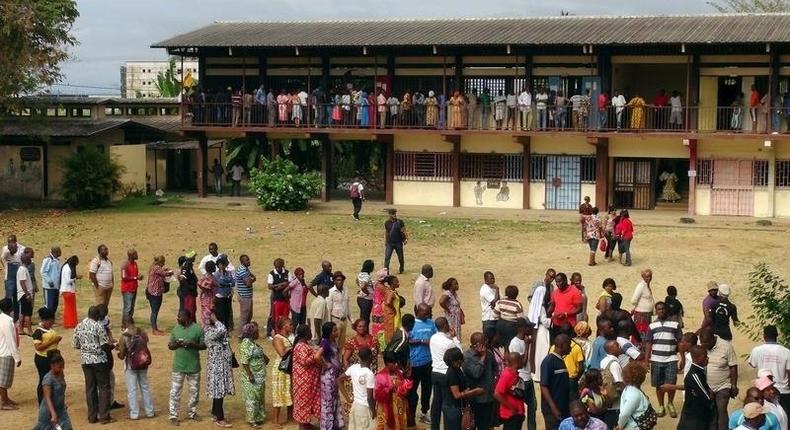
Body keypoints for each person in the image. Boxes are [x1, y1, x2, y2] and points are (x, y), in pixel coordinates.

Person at [73, 305, 113, 424]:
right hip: (99, 360)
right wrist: (112, 346)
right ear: (96, 316)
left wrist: (87, 348)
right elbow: (104, 345)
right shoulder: (98, 326)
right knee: (104, 387)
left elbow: (76, 344)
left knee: (90, 388)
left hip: (86, 361)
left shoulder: (79, 326)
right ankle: (104, 416)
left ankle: (92, 416)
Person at [167, 309, 206, 426]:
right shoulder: (176, 329)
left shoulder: (198, 329)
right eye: (178, 316)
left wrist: (192, 344)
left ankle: (192, 412)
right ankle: (173, 415)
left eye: (180, 317)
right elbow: (170, 346)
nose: (178, 319)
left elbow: (204, 345)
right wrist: (178, 344)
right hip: (178, 366)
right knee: (175, 392)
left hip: (193, 366)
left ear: (187, 318)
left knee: (194, 392)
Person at [661, 345, 714, 430]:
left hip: (691, 414)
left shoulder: (699, 371)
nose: (707, 358)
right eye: (704, 357)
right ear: (696, 358)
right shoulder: (695, 375)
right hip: (695, 416)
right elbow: (707, 397)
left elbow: (693, 387)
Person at [645, 301, 682, 418]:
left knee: (671, 383)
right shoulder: (652, 326)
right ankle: (661, 405)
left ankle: (670, 403)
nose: (661, 311)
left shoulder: (675, 324)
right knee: (658, 385)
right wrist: (646, 360)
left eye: (663, 309)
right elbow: (648, 344)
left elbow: (680, 342)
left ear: (666, 310)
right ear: (656, 311)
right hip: (656, 359)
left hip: (671, 358)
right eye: (659, 309)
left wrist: (683, 358)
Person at [700, 326, 739, 430]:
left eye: (706, 343)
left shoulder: (726, 346)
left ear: (713, 339)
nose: (704, 345)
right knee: (711, 412)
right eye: (702, 342)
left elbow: (733, 366)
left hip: (723, 385)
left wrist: (734, 385)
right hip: (707, 387)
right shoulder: (701, 345)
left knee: (721, 410)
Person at [117, 315, 154, 420]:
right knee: (145, 387)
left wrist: (118, 352)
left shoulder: (124, 336)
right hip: (143, 363)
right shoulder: (142, 332)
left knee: (132, 390)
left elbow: (122, 355)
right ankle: (150, 412)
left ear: (124, 323)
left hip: (131, 366)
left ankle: (134, 414)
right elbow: (145, 344)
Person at [429, 316, 462, 430]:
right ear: (445, 326)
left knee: (436, 402)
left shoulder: (433, 338)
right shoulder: (449, 343)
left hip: (434, 372)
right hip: (445, 374)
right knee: (448, 403)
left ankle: (435, 426)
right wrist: (455, 338)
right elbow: (459, 354)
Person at [749, 325, 790, 413]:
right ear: (777, 336)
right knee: (785, 419)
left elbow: (752, 364)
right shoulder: (786, 352)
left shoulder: (756, 350)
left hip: (764, 391)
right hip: (783, 391)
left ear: (764, 336)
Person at [406, 304, 435, 426]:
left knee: (427, 389)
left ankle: (424, 412)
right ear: (418, 311)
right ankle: (411, 416)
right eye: (426, 313)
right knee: (412, 391)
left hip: (428, 362)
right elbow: (406, 340)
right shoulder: (411, 324)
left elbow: (436, 336)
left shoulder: (431, 323)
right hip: (414, 363)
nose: (429, 315)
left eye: (429, 312)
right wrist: (422, 341)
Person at [204, 311, 234, 428]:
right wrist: (215, 319)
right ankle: (220, 418)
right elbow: (223, 330)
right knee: (219, 392)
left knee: (220, 391)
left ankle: (215, 413)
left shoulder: (215, 331)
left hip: (222, 366)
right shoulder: (209, 332)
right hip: (216, 367)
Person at [443, 347, 485, 430]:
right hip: (453, 408)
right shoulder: (452, 373)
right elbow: (456, 395)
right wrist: (474, 392)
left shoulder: (457, 370)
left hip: (457, 407)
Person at [463, 331, 496, 430]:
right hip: (477, 399)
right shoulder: (467, 357)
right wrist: (483, 357)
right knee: (474, 425)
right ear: (476, 345)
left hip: (489, 396)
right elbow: (476, 373)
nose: (486, 343)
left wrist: (493, 379)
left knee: (486, 425)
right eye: (484, 342)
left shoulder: (489, 353)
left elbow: (495, 367)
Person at [509, 318, 537, 429]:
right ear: (521, 328)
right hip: (521, 380)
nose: (530, 329)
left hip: (528, 378)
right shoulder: (515, 343)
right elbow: (522, 363)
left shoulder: (526, 340)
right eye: (528, 327)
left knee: (532, 407)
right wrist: (528, 345)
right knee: (519, 410)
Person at [239, 322, 268, 428]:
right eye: (256, 331)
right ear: (251, 333)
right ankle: (252, 420)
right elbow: (244, 361)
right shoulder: (246, 344)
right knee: (251, 398)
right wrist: (250, 374)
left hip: (259, 376)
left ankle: (258, 417)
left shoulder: (253, 344)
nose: (258, 333)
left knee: (259, 397)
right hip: (251, 377)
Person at [32, 351, 72, 429]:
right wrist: (53, 414)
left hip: (60, 409)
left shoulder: (60, 373)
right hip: (48, 412)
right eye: (60, 367)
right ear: (52, 366)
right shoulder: (48, 379)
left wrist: (62, 403)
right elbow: (47, 398)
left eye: (63, 366)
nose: (62, 369)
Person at [293, 324, 322, 429]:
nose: (311, 334)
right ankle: (302, 425)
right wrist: (316, 355)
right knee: (303, 403)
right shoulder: (300, 346)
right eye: (310, 331)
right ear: (305, 334)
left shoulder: (305, 344)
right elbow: (305, 361)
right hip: (303, 382)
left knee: (308, 402)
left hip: (309, 381)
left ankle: (306, 423)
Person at [340, 346, 376, 430]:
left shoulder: (354, 367)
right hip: (365, 408)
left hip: (355, 406)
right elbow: (369, 397)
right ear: (370, 357)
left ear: (359, 357)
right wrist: (373, 411)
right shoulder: (369, 374)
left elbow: (339, 380)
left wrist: (348, 398)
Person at [541, 334, 572, 430]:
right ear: (562, 345)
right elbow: (543, 386)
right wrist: (553, 407)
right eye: (569, 344)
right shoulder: (549, 361)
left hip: (562, 407)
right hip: (553, 409)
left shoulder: (561, 361)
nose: (570, 347)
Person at [320, 321, 345, 430]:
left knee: (335, 399)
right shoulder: (325, 342)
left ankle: (335, 424)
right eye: (334, 330)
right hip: (328, 377)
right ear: (329, 333)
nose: (337, 332)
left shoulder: (333, 341)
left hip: (335, 375)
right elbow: (317, 356)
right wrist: (326, 365)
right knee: (328, 401)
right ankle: (327, 427)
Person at [33, 307, 61, 403]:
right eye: (50, 321)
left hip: (51, 358)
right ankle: (42, 401)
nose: (51, 323)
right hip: (43, 359)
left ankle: (51, 400)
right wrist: (54, 341)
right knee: (44, 380)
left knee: (52, 379)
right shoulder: (38, 332)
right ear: (44, 320)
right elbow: (38, 347)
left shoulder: (48, 329)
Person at [494, 352, 526, 430]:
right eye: (521, 360)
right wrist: (511, 408)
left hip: (517, 414)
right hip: (511, 415)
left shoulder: (514, 373)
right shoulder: (507, 374)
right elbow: (497, 394)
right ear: (516, 363)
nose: (523, 361)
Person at [272, 318, 294, 428]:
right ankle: (275, 420)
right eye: (290, 324)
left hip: (290, 368)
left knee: (290, 391)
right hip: (281, 369)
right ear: (284, 326)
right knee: (279, 393)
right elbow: (281, 353)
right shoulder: (277, 338)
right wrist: (292, 347)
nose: (292, 326)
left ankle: (290, 416)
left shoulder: (292, 336)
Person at [617, 362, 653, 429]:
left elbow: (624, 414)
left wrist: (620, 426)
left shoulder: (632, 393)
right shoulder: (635, 390)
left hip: (635, 426)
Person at [550, 273, 583, 338]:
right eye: (556, 282)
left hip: (569, 327)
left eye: (560, 281)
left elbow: (580, 309)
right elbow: (552, 307)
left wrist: (566, 314)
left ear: (565, 280)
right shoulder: (554, 293)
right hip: (556, 325)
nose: (558, 284)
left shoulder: (575, 292)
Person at [600, 340, 625, 428]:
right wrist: (628, 394)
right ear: (611, 350)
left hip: (607, 398)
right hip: (616, 403)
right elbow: (619, 382)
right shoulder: (614, 364)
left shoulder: (603, 361)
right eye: (617, 345)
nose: (619, 347)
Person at [146, 255, 172, 335]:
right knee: (154, 312)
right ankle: (154, 329)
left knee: (155, 311)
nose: (163, 264)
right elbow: (165, 274)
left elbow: (161, 271)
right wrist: (171, 272)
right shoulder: (156, 268)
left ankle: (155, 328)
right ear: (160, 262)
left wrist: (165, 270)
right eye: (163, 263)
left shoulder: (154, 267)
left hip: (153, 292)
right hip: (154, 293)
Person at [2, 236, 25, 323]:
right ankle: (5, 315)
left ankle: (15, 317)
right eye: (8, 242)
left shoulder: (22, 248)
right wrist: (5, 267)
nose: (10, 244)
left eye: (12, 242)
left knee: (17, 298)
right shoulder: (5, 249)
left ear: (16, 242)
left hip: (18, 276)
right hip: (9, 278)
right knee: (8, 297)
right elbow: (3, 257)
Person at [267, 258, 292, 337]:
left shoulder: (287, 273)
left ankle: (285, 332)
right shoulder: (271, 274)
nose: (278, 269)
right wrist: (281, 285)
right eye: (277, 267)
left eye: (279, 267)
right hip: (276, 299)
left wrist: (278, 287)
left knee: (285, 317)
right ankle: (277, 333)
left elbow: (290, 283)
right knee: (276, 317)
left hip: (285, 299)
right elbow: (270, 286)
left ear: (282, 266)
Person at [495, 285, 524, 351]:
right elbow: (520, 318)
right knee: (509, 347)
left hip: (501, 325)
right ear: (516, 294)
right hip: (511, 327)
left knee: (505, 347)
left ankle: (505, 360)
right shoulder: (517, 304)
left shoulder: (500, 302)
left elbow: (495, 314)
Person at [630, 268, 655, 343]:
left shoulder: (646, 285)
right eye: (647, 276)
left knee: (646, 333)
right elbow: (633, 300)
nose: (649, 278)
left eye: (650, 276)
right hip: (641, 315)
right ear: (643, 277)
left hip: (646, 314)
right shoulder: (641, 286)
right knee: (641, 333)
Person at [120, 249, 143, 326]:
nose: (137, 255)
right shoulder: (125, 265)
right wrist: (136, 278)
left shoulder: (135, 264)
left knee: (132, 306)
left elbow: (134, 275)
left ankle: (129, 320)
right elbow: (124, 277)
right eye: (135, 254)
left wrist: (138, 276)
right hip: (127, 289)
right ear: (131, 255)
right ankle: (124, 324)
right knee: (128, 307)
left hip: (134, 288)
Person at [234, 255, 256, 337]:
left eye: (248, 259)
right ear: (242, 261)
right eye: (247, 260)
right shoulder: (243, 271)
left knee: (249, 316)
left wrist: (252, 279)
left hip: (246, 296)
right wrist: (252, 280)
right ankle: (241, 335)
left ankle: (246, 332)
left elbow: (253, 277)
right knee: (244, 317)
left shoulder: (245, 269)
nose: (249, 261)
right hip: (244, 297)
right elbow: (248, 283)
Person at [328, 271, 351, 346]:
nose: (340, 281)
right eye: (338, 280)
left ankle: (340, 357)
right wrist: (330, 323)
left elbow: (348, 306)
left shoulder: (346, 290)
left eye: (341, 280)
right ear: (334, 281)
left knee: (342, 343)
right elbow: (329, 308)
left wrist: (352, 321)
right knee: (335, 342)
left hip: (344, 320)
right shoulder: (331, 292)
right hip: (335, 320)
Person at [16, 248, 35, 335]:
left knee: (23, 313)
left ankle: (20, 329)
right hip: (24, 294)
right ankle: (30, 330)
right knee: (28, 313)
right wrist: (27, 294)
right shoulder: (23, 269)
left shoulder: (21, 269)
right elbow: (22, 282)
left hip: (22, 294)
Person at [57, 255, 79, 329]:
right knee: (70, 308)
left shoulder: (66, 266)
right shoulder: (68, 269)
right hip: (68, 290)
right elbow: (67, 280)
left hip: (67, 290)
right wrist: (76, 278)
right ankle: (70, 323)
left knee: (69, 308)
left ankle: (70, 322)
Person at [213, 255, 235, 330]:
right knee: (220, 314)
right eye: (221, 264)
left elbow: (233, 283)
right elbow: (220, 282)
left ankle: (227, 328)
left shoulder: (228, 273)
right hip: (220, 297)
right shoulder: (216, 274)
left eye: (224, 264)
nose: (223, 266)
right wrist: (227, 282)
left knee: (227, 314)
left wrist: (226, 283)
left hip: (227, 296)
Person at [440, 277, 464, 343]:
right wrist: (448, 310)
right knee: (452, 333)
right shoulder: (448, 294)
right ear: (450, 286)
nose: (457, 285)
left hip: (456, 318)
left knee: (457, 332)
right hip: (451, 318)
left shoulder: (454, 293)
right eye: (455, 284)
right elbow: (441, 302)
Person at [384, 209, 407, 274]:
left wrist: (406, 239)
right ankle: (386, 271)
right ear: (389, 215)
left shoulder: (400, 222)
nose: (394, 215)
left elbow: (404, 230)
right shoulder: (387, 223)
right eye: (393, 214)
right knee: (387, 257)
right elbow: (387, 232)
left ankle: (401, 268)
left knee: (400, 257)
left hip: (398, 242)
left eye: (395, 213)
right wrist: (386, 240)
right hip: (390, 243)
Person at [40, 246, 61, 314]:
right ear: (55, 252)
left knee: (55, 304)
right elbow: (43, 271)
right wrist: (49, 281)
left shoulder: (57, 260)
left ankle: (51, 319)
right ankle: (46, 319)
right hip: (49, 287)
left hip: (56, 286)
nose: (61, 252)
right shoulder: (48, 260)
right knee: (49, 305)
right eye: (59, 251)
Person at [198, 260, 219, 327]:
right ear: (211, 268)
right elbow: (201, 284)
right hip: (208, 300)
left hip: (211, 299)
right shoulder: (208, 278)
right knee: (207, 317)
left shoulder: (212, 277)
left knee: (210, 316)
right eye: (214, 266)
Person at [177, 253, 198, 320]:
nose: (195, 258)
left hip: (191, 292)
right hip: (188, 293)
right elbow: (182, 279)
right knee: (189, 310)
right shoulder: (186, 267)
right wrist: (189, 287)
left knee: (193, 309)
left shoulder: (189, 266)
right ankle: (188, 325)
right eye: (193, 257)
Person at [479, 271, 500, 336]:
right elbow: (494, 301)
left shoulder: (494, 288)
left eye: (493, 278)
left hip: (496, 317)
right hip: (488, 318)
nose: (493, 280)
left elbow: (500, 301)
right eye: (491, 278)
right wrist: (497, 289)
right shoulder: (484, 289)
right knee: (488, 340)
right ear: (486, 280)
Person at [357, 260, 375, 325]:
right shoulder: (367, 276)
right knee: (365, 319)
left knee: (364, 318)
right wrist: (367, 293)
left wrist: (360, 288)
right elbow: (364, 286)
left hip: (361, 299)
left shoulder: (360, 274)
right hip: (366, 300)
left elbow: (357, 280)